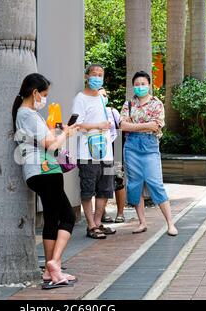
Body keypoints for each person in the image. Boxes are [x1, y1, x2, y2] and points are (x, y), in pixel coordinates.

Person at [13, 73, 78, 289]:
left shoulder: (25, 114)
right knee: (68, 216)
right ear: (34, 93)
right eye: (44, 94)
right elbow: (51, 146)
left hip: (37, 172)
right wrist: (66, 133)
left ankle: (51, 273)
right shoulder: (28, 115)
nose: (45, 98)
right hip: (46, 171)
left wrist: (56, 132)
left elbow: (44, 140)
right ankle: (54, 262)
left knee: (51, 217)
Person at [120, 71, 178, 236]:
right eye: (137, 84)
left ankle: (170, 223)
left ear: (149, 85)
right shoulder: (129, 104)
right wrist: (145, 125)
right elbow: (122, 125)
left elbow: (156, 126)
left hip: (150, 147)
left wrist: (134, 126)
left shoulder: (156, 103)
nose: (140, 87)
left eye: (143, 84)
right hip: (131, 148)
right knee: (134, 183)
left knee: (155, 183)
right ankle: (142, 222)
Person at [72, 64, 116, 240]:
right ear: (86, 77)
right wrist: (98, 126)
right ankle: (90, 225)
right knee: (88, 190)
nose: (97, 77)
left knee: (105, 189)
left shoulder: (101, 97)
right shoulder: (80, 99)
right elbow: (76, 125)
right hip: (87, 153)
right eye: (94, 74)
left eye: (101, 74)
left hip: (106, 152)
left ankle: (98, 222)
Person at [98, 87, 126, 224]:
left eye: (104, 95)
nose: (103, 97)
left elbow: (122, 126)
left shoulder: (112, 111)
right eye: (99, 95)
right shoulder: (90, 112)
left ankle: (120, 213)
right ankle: (102, 213)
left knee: (118, 179)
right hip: (98, 149)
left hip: (115, 145)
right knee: (101, 180)